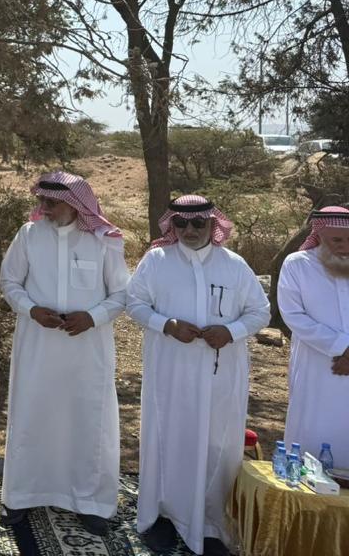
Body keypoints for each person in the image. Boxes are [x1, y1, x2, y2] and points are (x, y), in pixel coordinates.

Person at [128, 195, 270, 556]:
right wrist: (167, 324)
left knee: (216, 441)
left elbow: (260, 311)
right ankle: (161, 514)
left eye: (198, 223)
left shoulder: (234, 265)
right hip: (170, 369)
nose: (189, 230)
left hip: (220, 374)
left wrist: (231, 331)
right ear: (171, 225)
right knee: (168, 435)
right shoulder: (156, 260)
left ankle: (210, 521)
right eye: (181, 223)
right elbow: (135, 303)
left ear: (212, 224)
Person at [0, 170, 129, 536]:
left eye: (52, 202)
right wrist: (30, 309)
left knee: (86, 420)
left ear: (74, 204)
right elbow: (9, 282)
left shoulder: (103, 240)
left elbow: (122, 293)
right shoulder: (28, 235)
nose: (44, 208)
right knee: (32, 414)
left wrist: (93, 317)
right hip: (37, 345)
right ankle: (21, 496)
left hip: (86, 349)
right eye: (42, 200)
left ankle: (89, 503)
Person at [278, 205, 349, 465]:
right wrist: (342, 347)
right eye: (337, 240)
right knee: (311, 428)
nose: (345, 247)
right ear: (319, 235)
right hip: (316, 363)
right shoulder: (298, 265)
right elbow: (294, 316)